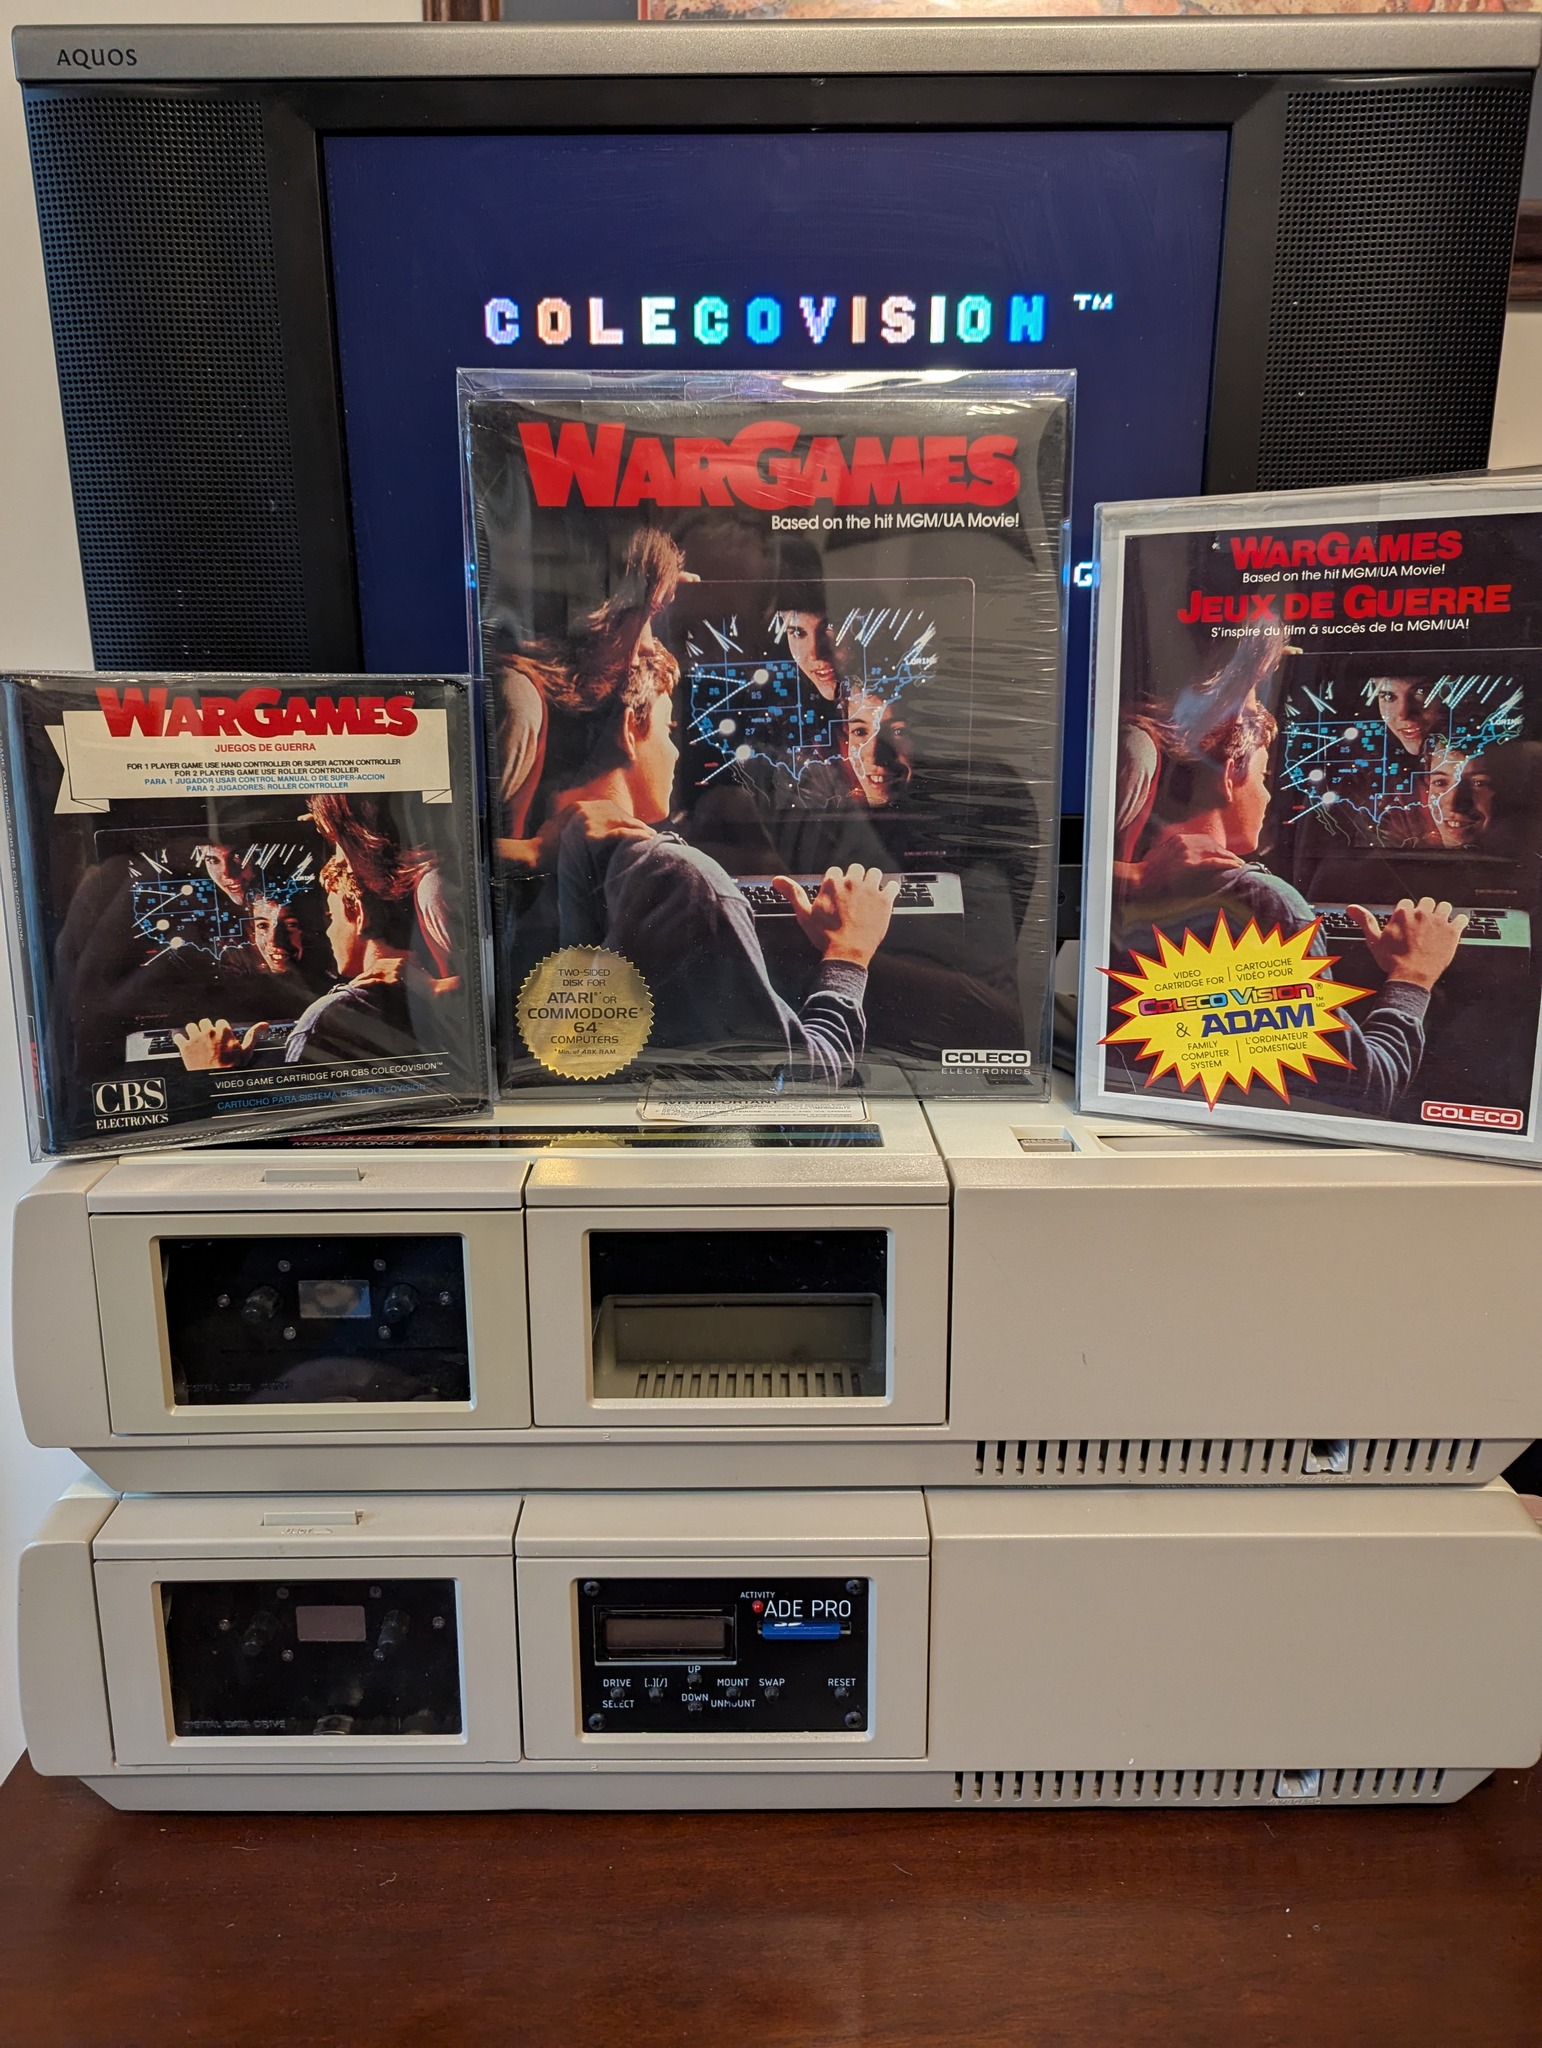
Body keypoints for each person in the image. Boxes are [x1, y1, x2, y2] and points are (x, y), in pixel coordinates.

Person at [549, 644, 898, 1088]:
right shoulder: (685, 882)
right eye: (668, 730)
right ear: (628, 730)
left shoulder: (579, 844)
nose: (676, 753)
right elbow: (803, 1086)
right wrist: (849, 954)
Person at [1112, 695, 1468, 1117]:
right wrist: (1414, 976)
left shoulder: (1123, 885)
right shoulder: (1263, 901)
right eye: (1264, 777)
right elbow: (1367, 1094)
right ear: (1230, 776)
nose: (1267, 796)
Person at [493, 526, 691, 860]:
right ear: (607, 612)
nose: (647, 645)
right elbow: (433, 857)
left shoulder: (565, 710)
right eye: (646, 615)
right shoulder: (519, 700)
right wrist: (536, 852)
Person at [173, 849, 455, 1070]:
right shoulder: (429, 987)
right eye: (262, 926)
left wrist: (214, 1073)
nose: (275, 941)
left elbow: (295, 1111)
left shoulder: (330, 1013)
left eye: (292, 925)